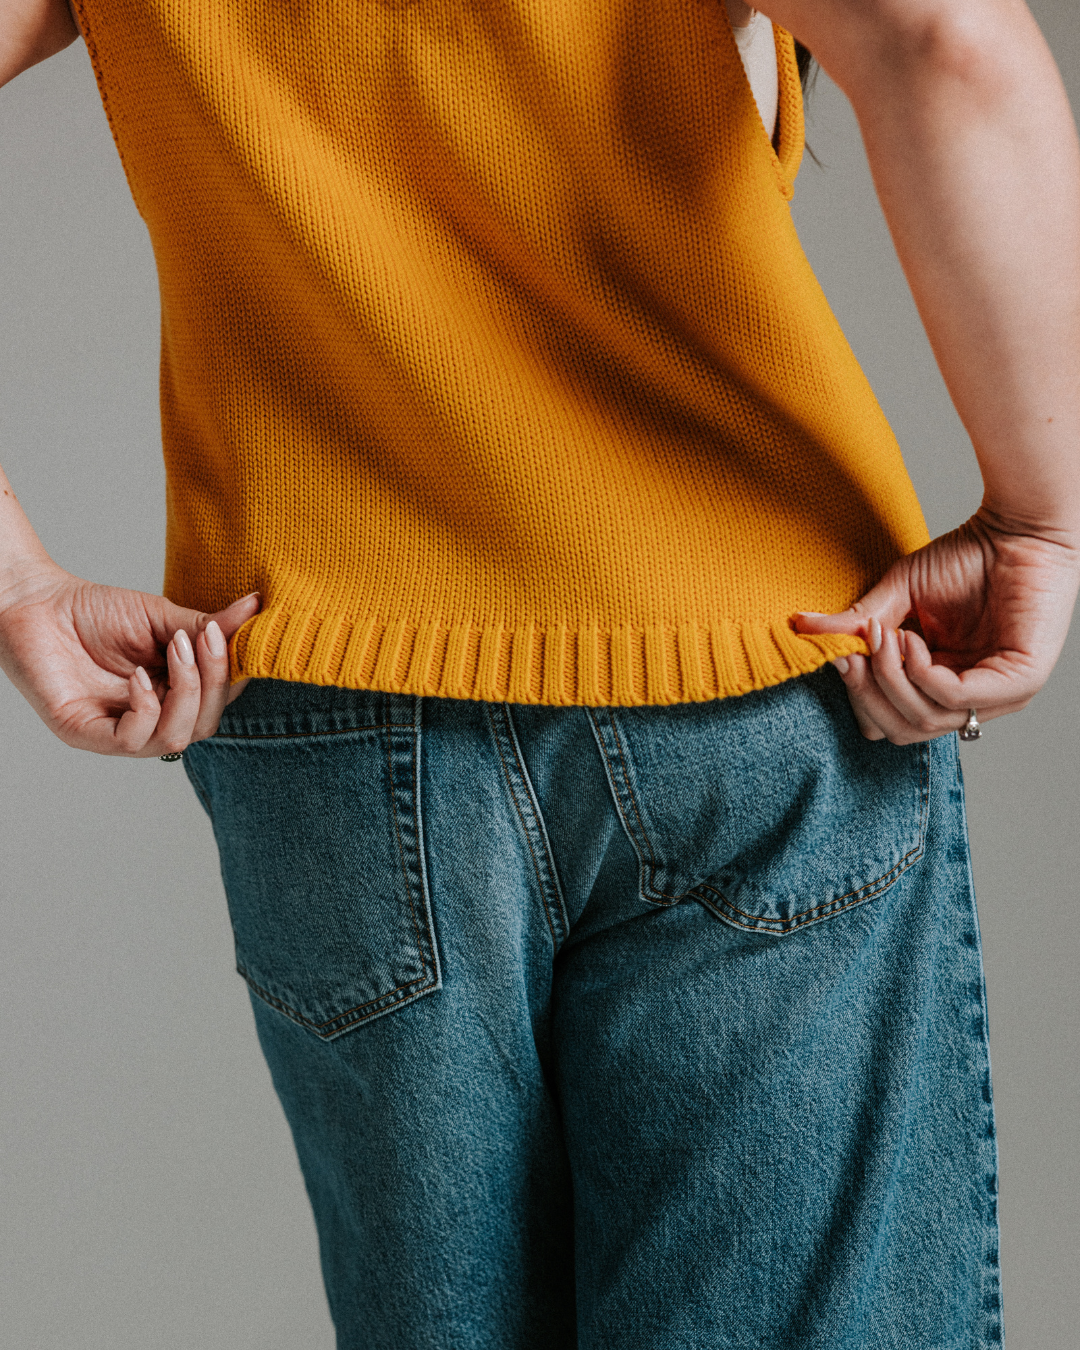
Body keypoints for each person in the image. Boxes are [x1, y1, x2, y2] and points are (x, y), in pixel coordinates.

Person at [1, 0, 1077, 1344]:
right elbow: (939, 37)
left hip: (329, 710)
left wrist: (14, 581)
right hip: (751, 675)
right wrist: (1044, 513)